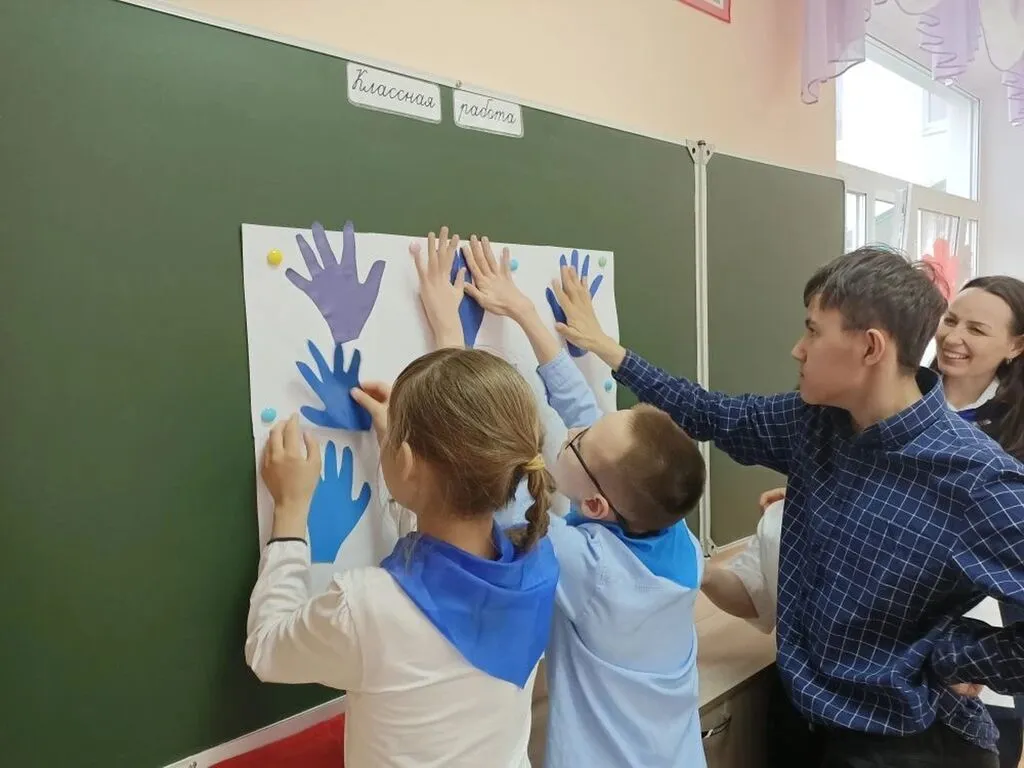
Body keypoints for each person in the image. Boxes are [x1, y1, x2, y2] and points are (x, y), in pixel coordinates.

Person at [550, 245, 1024, 767]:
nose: (799, 349)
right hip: (801, 717)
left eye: (814, 331)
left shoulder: (976, 479)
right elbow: (711, 414)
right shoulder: (816, 420)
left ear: (871, 347)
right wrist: (607, 350)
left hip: (899, 745)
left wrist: (948, 655)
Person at [244, 228, 560, 768]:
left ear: (407, 462)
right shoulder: (538, 560)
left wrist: (291, 513)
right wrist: (441, 349)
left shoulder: (368, 607)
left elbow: (267, 649)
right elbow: (465, 480)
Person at [703, 274, 1024, 768]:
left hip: (942, 690)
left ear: (1015, 345)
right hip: (854, 686)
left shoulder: (985, 467)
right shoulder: (887, 406)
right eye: (951, 320)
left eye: (977, 329)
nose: (954, 337)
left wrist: (960, 655)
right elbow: (725, 417)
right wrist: (829, 487)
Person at [456, 236, 708, 767]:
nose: (569, 431)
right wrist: (525, 313)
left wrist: (447, 344)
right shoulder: (672, 531)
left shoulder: (590, 569)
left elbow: (496, 489)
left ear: (595, 506)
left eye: (575, 442)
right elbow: (588, 415)